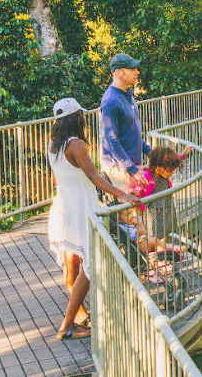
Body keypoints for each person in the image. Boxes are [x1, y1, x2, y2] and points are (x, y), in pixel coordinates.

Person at [48, 97, 140, 340]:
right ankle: (67, 324)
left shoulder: (53, 145)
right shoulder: (76, 145)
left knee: (73, 265)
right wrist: (123, 195)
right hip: (81, 210)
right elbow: (94, 177)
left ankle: (78, 316)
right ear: (76, 118)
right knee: (89, 267)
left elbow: (60, 179)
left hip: (64, 209)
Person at [100, 53, 152, 193]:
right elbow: (112, 141)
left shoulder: (127, 94)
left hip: (132, 166)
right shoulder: (110, 101)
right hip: (120, 169)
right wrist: (132, 170)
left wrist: (150, 152)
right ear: (119, 73)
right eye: (132, 69)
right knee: (126, 212)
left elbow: (131, 132)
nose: (137, 72)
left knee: (137, 210)